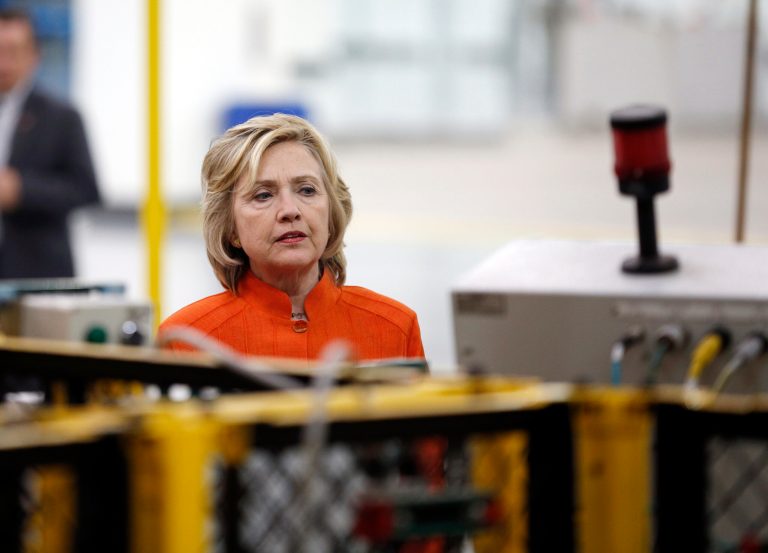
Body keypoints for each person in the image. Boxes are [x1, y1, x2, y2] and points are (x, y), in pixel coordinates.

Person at [160, 113, 425, 364]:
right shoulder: (185, 339)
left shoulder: (396, 327)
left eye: (307, 190)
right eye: (263, 195)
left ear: (331, 212)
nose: (290, 210)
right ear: (230, 229)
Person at [0, 8, 99, 279]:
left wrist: (21, 189)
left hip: (38, 275)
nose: (4, 63)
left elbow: (86, 188)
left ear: (34, 56)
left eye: (13, 52)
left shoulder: (61, 116)